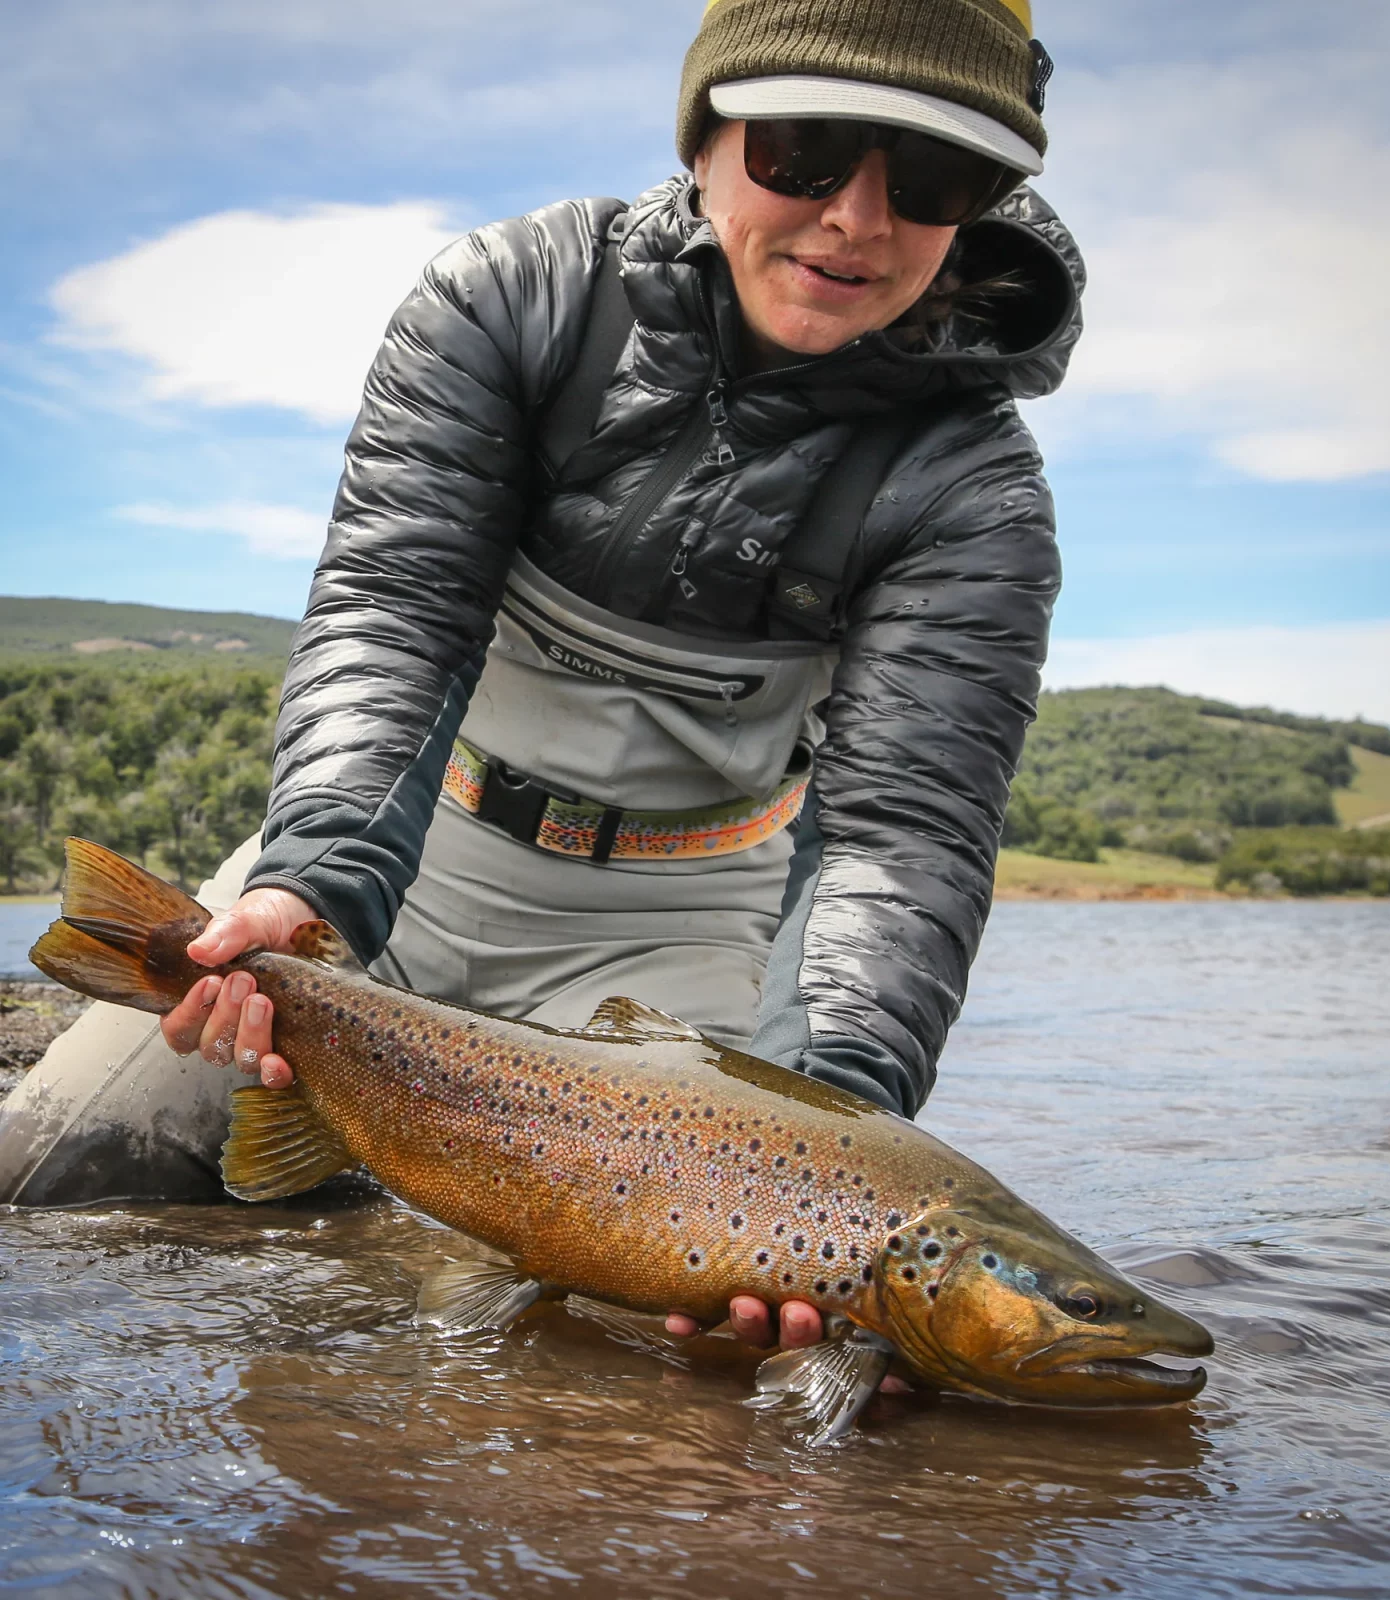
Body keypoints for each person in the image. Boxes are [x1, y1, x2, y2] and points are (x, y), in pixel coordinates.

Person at [0, 0, 1082, 1358]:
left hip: (683, 944)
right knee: (47, 1197)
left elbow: (902, 837)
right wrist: (309, 880)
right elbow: (396, 613)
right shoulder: (509, 298)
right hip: (394, 878)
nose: (856, 217)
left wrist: (825, 1122)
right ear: (705, 138)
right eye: (804, 150)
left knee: (666, 1370)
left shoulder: (977, 493)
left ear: (980, 208)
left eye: (931, 178)